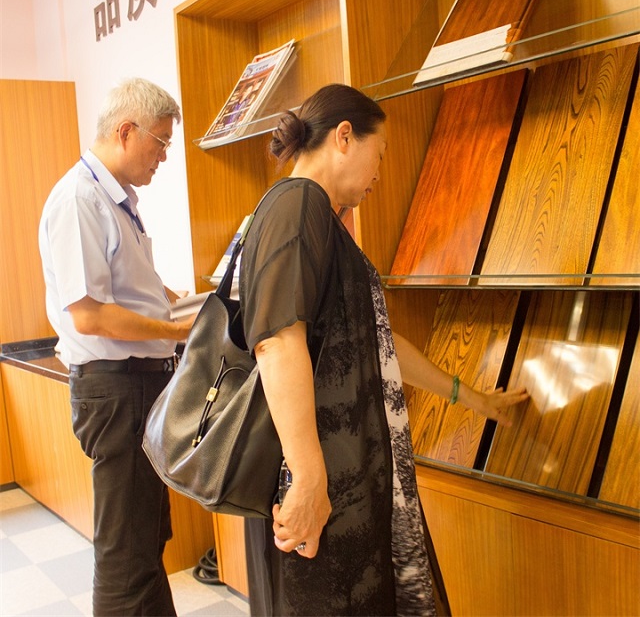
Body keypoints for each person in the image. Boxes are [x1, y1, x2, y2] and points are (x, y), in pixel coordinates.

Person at [238, 83, 529, 616]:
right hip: (322, 486)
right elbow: (276, 343)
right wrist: (308, 479)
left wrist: (472, 398)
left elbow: (379, 344)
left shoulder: (315, 216)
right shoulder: (297, 206)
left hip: (347, 481)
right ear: (345, 137)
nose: (379, 173)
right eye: (381, 153)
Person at [38, 77, 194, 616]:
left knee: (147, 541)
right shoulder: (80, 199)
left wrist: (176, 300)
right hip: (117, 389)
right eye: (161, 142)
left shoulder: (116, 200)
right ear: (126, 131)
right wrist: (178, 332)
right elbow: (90, 314)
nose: (163, 156)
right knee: (125, 555)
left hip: (140, 386)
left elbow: (126, 284)